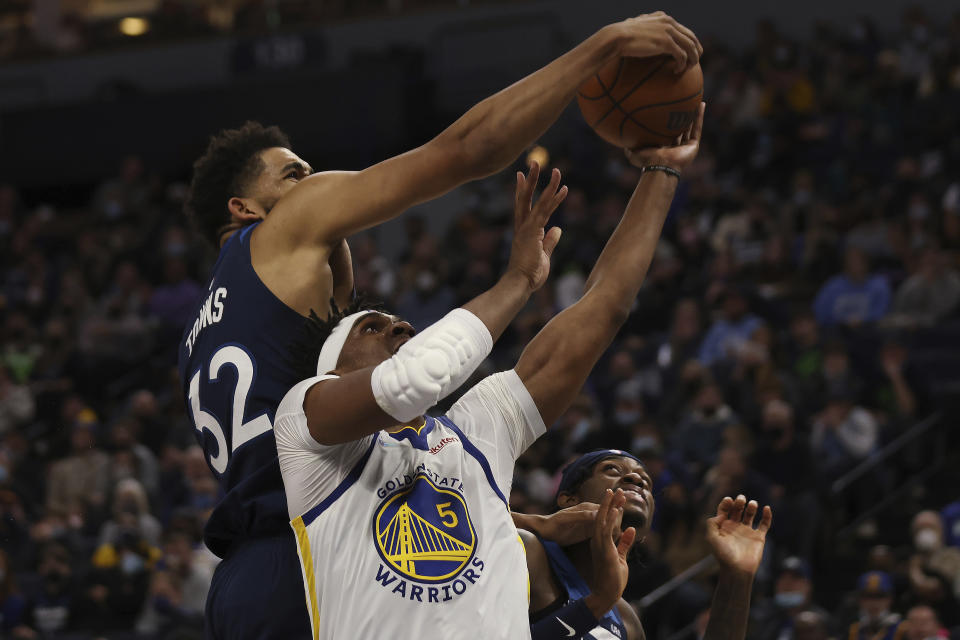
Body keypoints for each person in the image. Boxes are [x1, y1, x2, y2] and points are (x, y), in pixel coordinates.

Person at [178, 13, 702, 638]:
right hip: (305, 557)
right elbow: (464, 152)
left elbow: (601, 311)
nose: (314, 183)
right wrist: (601, 47)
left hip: (250, 569)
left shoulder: (209, 328)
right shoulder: (282, 235)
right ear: (246, 208)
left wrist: (522, 523)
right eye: (295, 174)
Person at [272, 107, 705, 638]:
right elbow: (413, 380)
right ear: (333, 370)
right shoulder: (305, 421)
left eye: (400, 322)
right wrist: (520, 280)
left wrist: (661, 170)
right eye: (372, 328)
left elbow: (605, 308)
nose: (402, 327)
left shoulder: (477, 431)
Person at [520, 450, 771, 640]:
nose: (635, 479)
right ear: (569, 499)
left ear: (643, 532)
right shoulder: (528, 552)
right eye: (611, 469)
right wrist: (540, 524)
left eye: (646, 483)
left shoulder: (625, 618)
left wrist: (736, 578)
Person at [846, 571, 904, 640]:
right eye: (868, 596)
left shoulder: (902, 628)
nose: (873, 602)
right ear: (859, 600)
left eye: (879, 596)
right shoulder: (852, 629)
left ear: (890, 599)